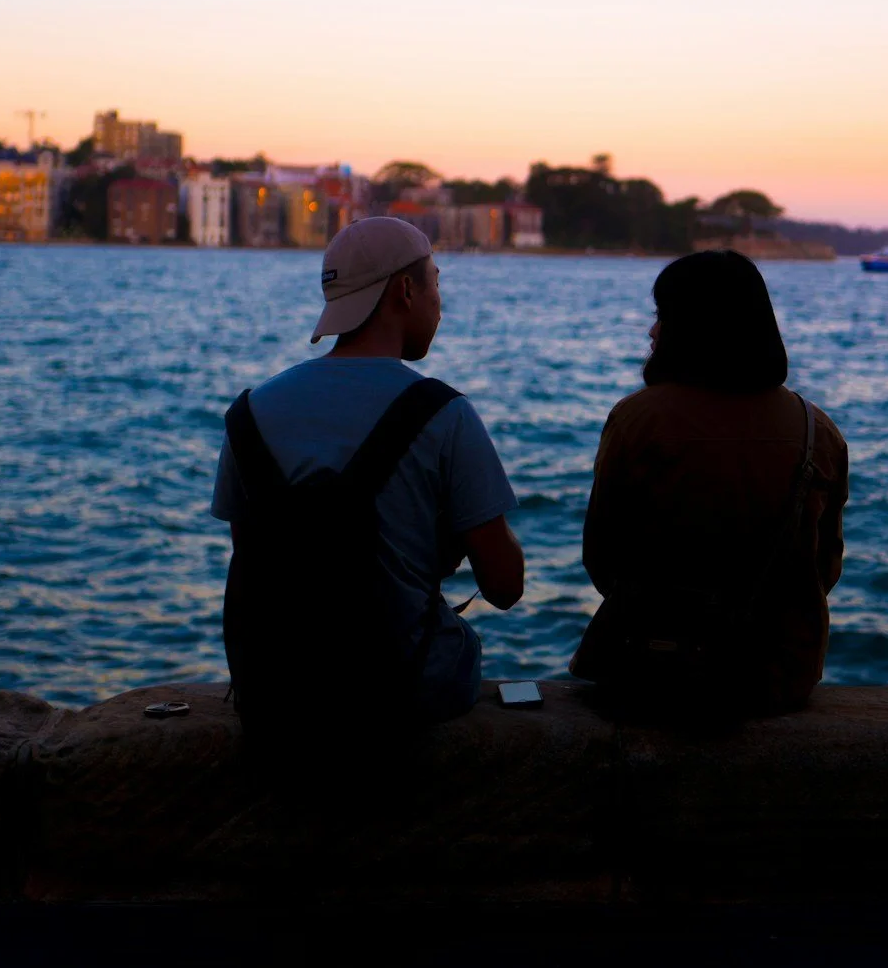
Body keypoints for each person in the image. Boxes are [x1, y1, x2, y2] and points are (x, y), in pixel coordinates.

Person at [213, 215, 525, 738]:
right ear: (405, 290)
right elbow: (505, 587)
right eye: (437, 284)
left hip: (276, 692)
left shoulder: (249, 413)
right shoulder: (445, 413)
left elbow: (256, 556)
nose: (439, 303)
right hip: (401, 692)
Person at [571, 250, 848, 721]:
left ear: (691, 328)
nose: (652, 331)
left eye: (662, 316)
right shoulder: (816, 430)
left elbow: (603, 560)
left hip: (655, 669)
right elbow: (825, 571)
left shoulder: (637, 419)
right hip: (778, 677)